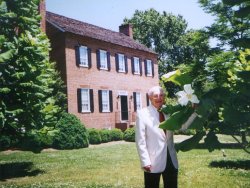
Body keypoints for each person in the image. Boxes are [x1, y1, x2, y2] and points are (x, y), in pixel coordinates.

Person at [135, 86, 197, 188]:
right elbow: (140, 140)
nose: (159, 98)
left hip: (171, 160)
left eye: (161, 95)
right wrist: (145, 161)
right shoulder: (142, 114)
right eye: (155, 96)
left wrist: (194, 112)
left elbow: (183, 127)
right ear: (150, 98)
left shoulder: (169, 111)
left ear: (164, 97)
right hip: (152, 162)